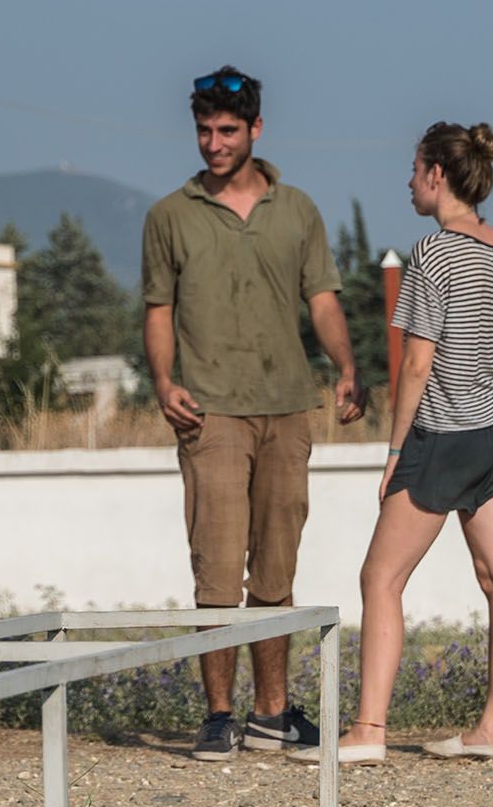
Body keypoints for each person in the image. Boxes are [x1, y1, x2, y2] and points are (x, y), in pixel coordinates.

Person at [141, 66, 364, 763]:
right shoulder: (169, 215)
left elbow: (322, 298)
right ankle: (218, 715)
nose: (214, 143)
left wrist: (347, 367)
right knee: (215, 569)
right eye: (205, 131)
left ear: (256, 130)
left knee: (276, 570)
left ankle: (272, 713)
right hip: (209, 413)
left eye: (228, 131)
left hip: (286, 407)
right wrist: (163, 380)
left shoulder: (297, 210)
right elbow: (157, 309)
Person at [300, 122, 493, 766]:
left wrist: (397, 451)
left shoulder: (433, 254)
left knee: (381, 576)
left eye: (414, 168)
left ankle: (368, 731)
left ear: (436, 175)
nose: (407, 181)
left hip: (442, 436)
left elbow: (418, 365)